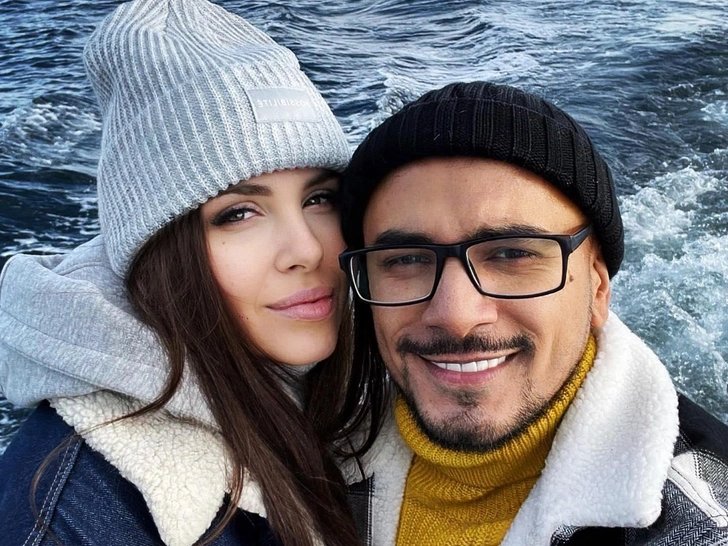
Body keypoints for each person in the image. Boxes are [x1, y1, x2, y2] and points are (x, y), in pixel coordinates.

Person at [0, 0, 381, 544]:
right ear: (162, 251)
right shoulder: (71, 515)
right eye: (238, 214)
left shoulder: (361, 373)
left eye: (319, 198)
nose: (306, 250)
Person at [338, 82, 728, 545]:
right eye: (405, 259)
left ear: (598, 287)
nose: (456, 315)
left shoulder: (704, 525)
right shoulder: (308, 448)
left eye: (512, 254)